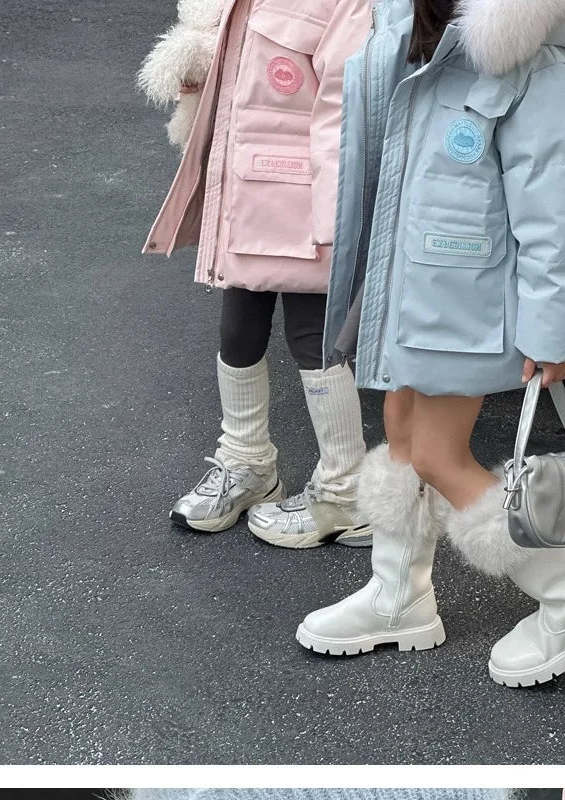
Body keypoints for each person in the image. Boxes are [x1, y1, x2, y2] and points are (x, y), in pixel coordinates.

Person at [296, 0, 565, 686]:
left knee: (435, 453)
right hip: (421, 296)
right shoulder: (424, 41)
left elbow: (560, 217)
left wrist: (553, 331)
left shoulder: (533, 62)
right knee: (400, 428)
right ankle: (398, 594)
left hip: (470, 306)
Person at [138, 0, 373, 547]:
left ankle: (347, 491)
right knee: (237, 329)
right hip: (245, 190)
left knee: (314, 337)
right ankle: (247, 463)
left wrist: (337, 216)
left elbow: (347, 102)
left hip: (308, 199)